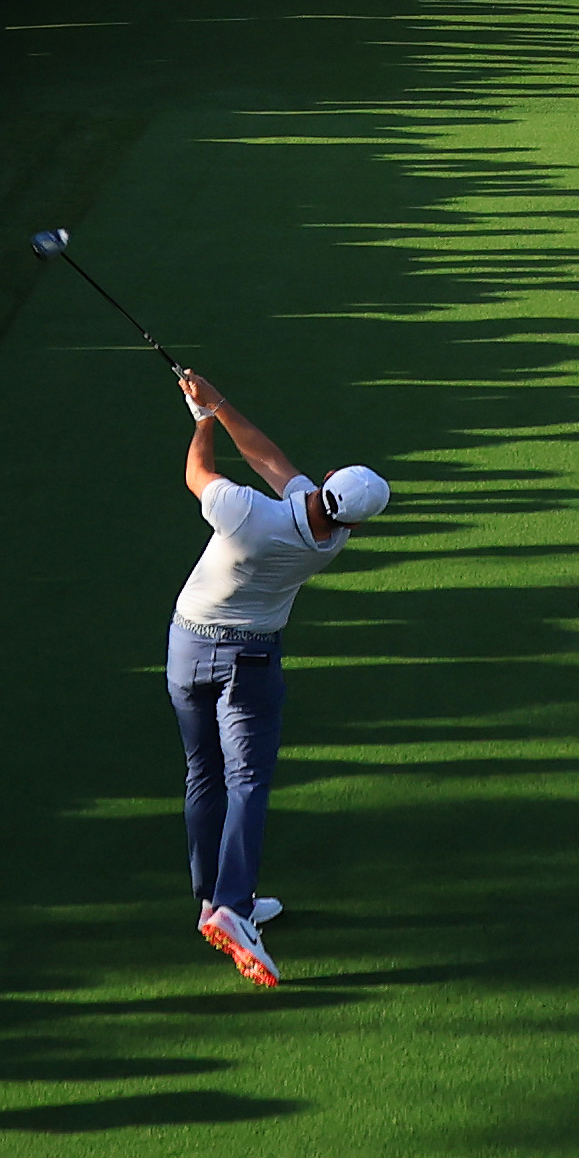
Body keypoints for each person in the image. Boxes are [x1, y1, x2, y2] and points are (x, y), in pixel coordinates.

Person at [163, 367, 387, 989]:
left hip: (186, 646)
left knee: (206, 774)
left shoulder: (246, 514)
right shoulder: (331, 539)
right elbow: (269, 457)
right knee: (248, 779)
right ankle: (232, 905)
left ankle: (219, 900)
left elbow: (197, 476)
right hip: (249, 659)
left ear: (329, 485)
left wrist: (202, 420)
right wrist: (220, 402)